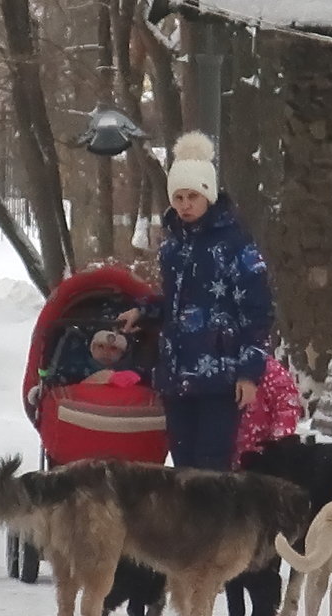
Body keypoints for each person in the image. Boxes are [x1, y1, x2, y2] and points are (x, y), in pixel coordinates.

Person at [117, 131, 273, 471]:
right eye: (179, 197)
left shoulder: (235, 245)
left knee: (211, 467)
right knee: (183, 465)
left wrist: (248, 372)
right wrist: (144, 311)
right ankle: (185, 526)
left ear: (209, 196)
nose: (185, 205)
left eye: (193, 196)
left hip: (220, 376)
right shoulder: (173, 247)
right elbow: (177, 303)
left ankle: (214, 526)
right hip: (177, 376)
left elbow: (257, 311)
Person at [233, 354, 303, 468]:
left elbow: (286, 404)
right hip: (222, 453)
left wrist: (279, 441)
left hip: (259, 454)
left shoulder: (267, 369)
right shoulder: (217, 369)